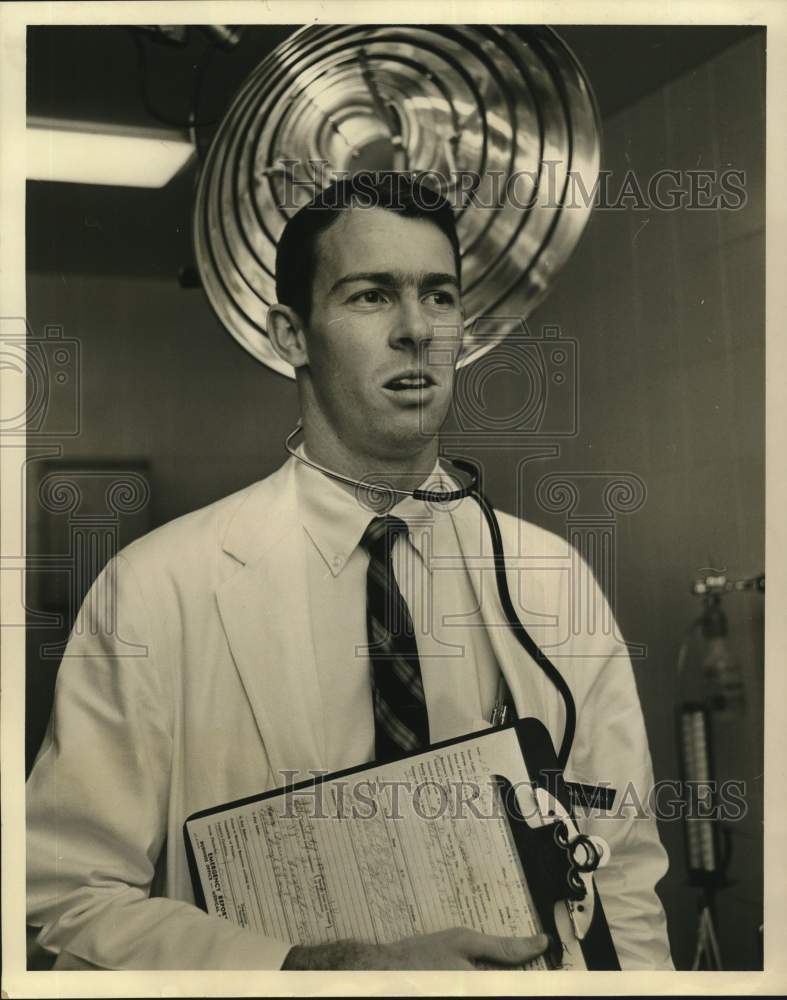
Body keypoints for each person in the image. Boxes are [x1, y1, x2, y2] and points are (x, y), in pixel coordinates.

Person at [26, 175, 673, 971]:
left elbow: (625, 876)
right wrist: (314, 972)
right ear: (291, 334)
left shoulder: (552, 578)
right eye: (370, 296)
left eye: (439, 296)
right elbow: (67, 892)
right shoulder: (155, 588)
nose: (415, 331)